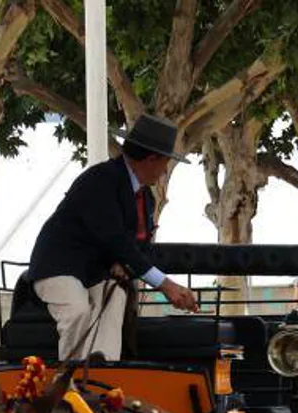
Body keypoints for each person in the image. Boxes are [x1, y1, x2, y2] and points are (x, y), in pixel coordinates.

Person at [27, 113, 199, 361]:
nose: (164, 172)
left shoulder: (145, 197)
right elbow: (114, 237)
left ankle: (103, 375)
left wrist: (126, 266)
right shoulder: (101, 179)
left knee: (116, 296)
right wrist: (165, 284)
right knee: (77, 310)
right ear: (152, 159)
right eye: (166, 163)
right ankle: (69, 384)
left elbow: (139, 246)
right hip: (58, 267)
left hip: (96, 272)